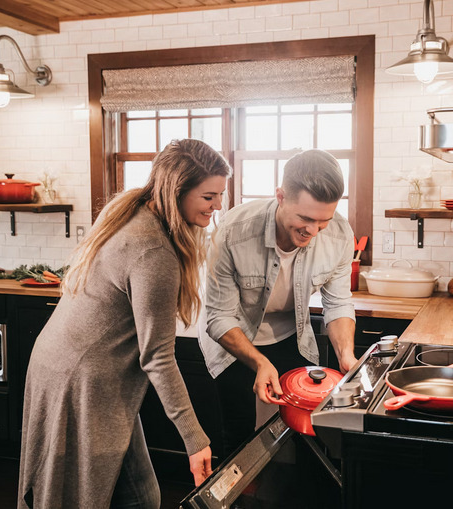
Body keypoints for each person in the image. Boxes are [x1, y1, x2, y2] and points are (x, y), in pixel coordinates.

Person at [18, 139, 231, 508]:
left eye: (220, 195)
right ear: (176, 190)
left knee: (135, 493)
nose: (217, 205)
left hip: (61, 365)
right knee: (132, 498)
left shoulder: (130, 210)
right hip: (84, 380)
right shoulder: (153, 250)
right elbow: (159, 358)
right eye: (209, 196)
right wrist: (196, 440)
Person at [199, 149, 357, 458]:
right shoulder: (233, 232)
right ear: (281, 196)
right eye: (305, 218)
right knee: (240, 438)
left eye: (323, 221)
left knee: (305, 436)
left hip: (292, 336)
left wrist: (347, 355)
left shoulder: (339, 234)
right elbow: (218, 316)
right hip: (234, 339)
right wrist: (259, 362)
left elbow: (337, 303)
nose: (312, 232)